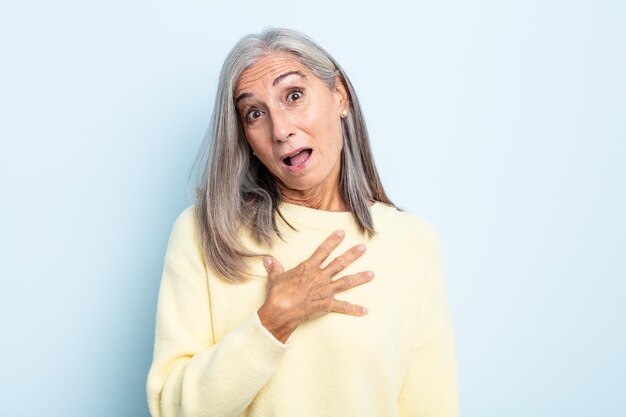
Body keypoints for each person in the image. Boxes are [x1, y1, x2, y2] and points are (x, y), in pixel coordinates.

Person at [146, 27, 459, 417]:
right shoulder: (206, 232)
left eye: (293, 96)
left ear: (339, 94)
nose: (280, 130)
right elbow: (171, 410)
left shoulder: (411, 242)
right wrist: (273, 321)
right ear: (243, 135)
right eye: (255, 113)